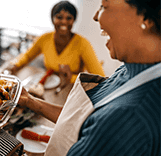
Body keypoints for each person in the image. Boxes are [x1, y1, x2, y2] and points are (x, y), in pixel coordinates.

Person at [17, 0, 160, 155]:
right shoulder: (130, 70)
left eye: (104, 6)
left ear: (145, 18)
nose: (96, 16)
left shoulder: (130, 117)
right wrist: (30, 101)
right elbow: (80, 121)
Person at [6, 1, 105, 88]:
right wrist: (15, 64)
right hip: (48, 86)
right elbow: (27, 55)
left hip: (71, 89)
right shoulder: (45, 38)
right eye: (59, 17)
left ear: (74, 20)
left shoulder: (83, 43)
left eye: (69, 18)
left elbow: (100, 77)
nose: (64, 22)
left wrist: (72, 78)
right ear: (52, 19)